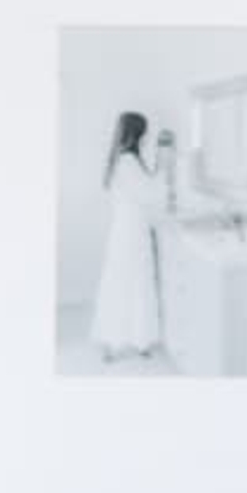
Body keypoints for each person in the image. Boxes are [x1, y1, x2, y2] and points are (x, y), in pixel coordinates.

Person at [86, 109, 171, 364]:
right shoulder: (129, 163)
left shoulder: (120, 160)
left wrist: (157, 163)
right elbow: (152, 193)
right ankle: (129, 342)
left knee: (123, 283)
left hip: (125, 230)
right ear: (137, 135)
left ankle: (134, 340)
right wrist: (163, 160)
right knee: (133, 283)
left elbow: (144, 191)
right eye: (144, 134)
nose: (146, 138)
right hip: (132, 233)